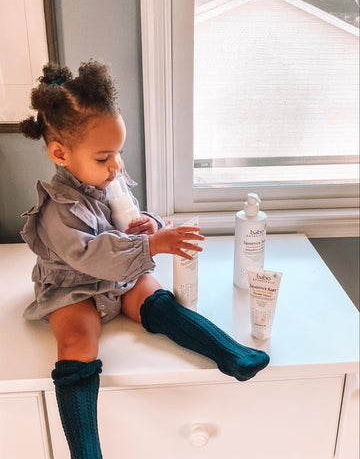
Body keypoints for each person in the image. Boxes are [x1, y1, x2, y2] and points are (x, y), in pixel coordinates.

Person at [19, 60, 270, 459]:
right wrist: (151, 247)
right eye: (104, 158)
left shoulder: (109, 181)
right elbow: (89, 255)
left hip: (121, 270)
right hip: (74, 283)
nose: (116, 165)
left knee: (154, 296)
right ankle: (85, 450)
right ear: (60, 152)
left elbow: (129, 215)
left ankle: (231, 353)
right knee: (78, 339)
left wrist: (148, 227)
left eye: (118, 153)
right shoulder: (58, 209)